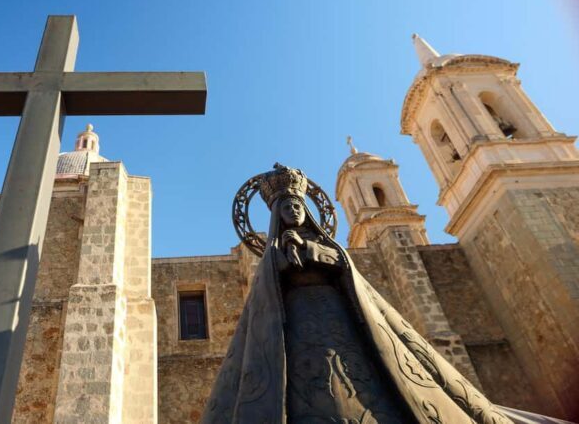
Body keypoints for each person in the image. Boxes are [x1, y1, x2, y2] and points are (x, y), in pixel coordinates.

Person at [202, 164, 516, 424]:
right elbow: (266, 291)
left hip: (340, 320)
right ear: (277, 215)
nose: (294, 210)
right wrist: (282, 260)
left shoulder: (327, 244)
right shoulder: (272, 253)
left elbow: (344, 267)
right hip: (295, 327)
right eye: (287, 207)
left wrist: (312, 251)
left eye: (298, 204)